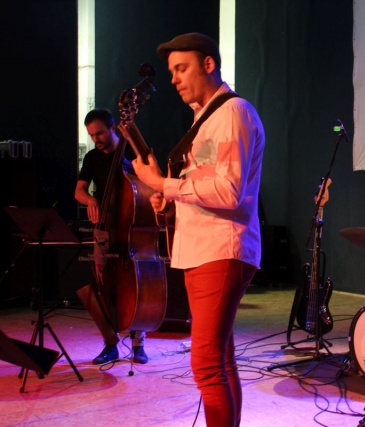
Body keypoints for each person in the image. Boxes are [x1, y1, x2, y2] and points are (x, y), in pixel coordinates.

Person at [127, 32, 264, 427]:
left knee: (205, 363)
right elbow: (205, 183)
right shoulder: (204, 117)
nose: (174, 78)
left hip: (220, 249)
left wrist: (163, 184)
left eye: (181, 68)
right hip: (205, 249)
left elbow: (229, 191)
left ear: (208, 64)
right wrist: (171, 199)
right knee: (219, 359)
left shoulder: (232, 113)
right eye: (171, 71)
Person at [74, 108, 149, 364]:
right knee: (102, 286)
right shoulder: (92, 157)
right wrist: (90, 199)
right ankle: (110, 343)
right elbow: (79, 191)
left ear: (113, 128)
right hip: (104, 228)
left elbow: (150, 183)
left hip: (130, 228)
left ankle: (138, 343)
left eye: (99, 134)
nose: (95, 139)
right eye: (91, 135)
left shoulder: (131, 152)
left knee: (137, 285)